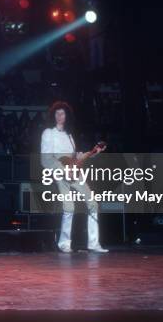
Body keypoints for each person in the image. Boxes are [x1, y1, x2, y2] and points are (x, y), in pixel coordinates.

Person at [40, 101, 108, 253]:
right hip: (59, 172)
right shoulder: (48, 133)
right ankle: (64, 244)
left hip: (74, 172)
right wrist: (63, 170)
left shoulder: (69, 136)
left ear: (67, 116)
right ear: (53, 115)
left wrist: (93, 152)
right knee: (69, 207)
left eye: (62, 113)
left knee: (93, 203)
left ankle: (94, 243)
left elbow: (75, 158)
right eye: (57, 113)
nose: (59, 116)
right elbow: (45, 159)